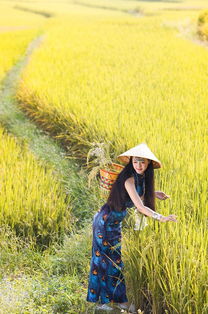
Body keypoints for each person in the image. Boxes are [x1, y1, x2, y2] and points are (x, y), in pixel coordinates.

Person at [86, 143, 177, 312]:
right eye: (136, 162)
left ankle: (119, 300)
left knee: (116, 261)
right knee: (103, 261)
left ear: (149, 164)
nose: (139, 165)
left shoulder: (140, 178)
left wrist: (155, 193)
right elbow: (140, 206)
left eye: (142, 162)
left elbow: (138, 195)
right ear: (131, 162)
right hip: (105, 222)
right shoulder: (128, 179)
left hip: (115, 223)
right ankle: (102, 303)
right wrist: (162, 218)